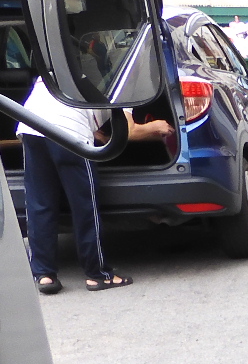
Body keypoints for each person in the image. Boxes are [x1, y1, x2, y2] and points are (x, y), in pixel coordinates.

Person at [16, 78, 171, 293]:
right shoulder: (124, 77)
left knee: (39, 204)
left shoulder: (58, 64)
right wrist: (155, 126)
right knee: (85, 206)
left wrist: (95, 130)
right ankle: (98, 275)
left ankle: (44, 275)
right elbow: (128, 130)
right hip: (70, 133)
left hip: (32, 126)